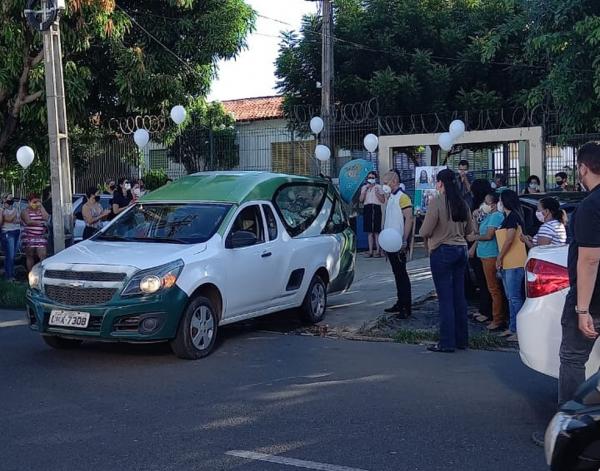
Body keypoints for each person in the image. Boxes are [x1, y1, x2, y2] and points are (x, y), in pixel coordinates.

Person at [558, 143, 600, 406]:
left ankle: (571, 429)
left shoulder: (590, 206)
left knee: (573, 359)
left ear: (583, 168)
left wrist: (582, 310)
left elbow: (590, 259)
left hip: (593, 299)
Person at [420, 169, 472, 352]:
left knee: (445, 299)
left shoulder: (436, 202)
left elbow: (425, 231)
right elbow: (470, 230)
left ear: (440, 183)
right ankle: (462, 340)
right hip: (461, 249)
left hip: (442, 250)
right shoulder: (463, 202)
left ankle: (447, 342)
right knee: (459, 297)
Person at [467, 193, 507, 331]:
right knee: (491, 287)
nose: (484, 205)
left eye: (487, 202)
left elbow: (489, 235)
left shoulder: (496, 216)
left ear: (494, 204)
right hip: (483, 254)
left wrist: (475, 237)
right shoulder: (489, 216)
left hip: (491, 255)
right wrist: (474, 218)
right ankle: (494, 315)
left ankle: (498, 318)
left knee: (493, 288)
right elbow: (477, 230)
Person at [381, 171, 414, 318]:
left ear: (394, 181)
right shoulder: (391, 198)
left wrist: (404, 239)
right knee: (397, 274)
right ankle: (400, 302)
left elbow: (409, 219)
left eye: (386, 182)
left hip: (399, 243)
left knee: (402, 275)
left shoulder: (403, 197)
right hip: (390, 242)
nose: (384, 185)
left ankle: (406, 306)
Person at [496, 190, 526, 342]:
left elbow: (509, 239)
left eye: (500, 200)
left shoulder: (513, 217)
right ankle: (513, 327)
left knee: (515, 297)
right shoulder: (506, 217)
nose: (499, 203)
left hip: (514, 262)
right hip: (508, 262)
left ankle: (520, 331)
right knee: (510, 297)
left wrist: (499, 257)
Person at [467, 179, 494, 322]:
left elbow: (483, 229)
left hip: (483, 248)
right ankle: (483, 309)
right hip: (479, 247)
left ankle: (487, 312)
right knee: (482, 281)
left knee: (485, 282)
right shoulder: (479, 206)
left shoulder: (486, 207)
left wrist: (473, 246)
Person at [360, 171, 385, 257]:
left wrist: (377, 192)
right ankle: (370, 251)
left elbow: (383, 200)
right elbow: (361, 200)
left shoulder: (378, 187)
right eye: (369, 178)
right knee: (369, 231)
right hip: (367, 208)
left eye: (372, 178)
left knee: (376, 231)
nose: (371, 179)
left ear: (375, 179)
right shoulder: (364, 187)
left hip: (376, 208)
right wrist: (366, 189)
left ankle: (378, 251)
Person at [21, 193, 49, 271]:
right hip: (29, 236)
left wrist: (41, 206)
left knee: (43, 255)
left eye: (37, 202)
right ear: (29, 202)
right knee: (30, 256)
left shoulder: (40, 209)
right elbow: (28, 221)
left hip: (40, 236)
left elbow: (46, 218)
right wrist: (40, 223)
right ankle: (30, 274)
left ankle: (40, 274)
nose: (35, 204)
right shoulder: (25, 211)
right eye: (34, 202)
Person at [1, 195, 21, 281]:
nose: (10, 201)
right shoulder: (2, 210)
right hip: (8, 233)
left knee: (13, 255)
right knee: (10, 255)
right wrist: (14, 214)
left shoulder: (15, 209)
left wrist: (14, 218)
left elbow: (19, 220)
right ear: (4, 200)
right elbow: (8, 219)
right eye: (8, 199)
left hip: (16, 231)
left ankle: (10, 274)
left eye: (11, 199)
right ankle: (9, 277)